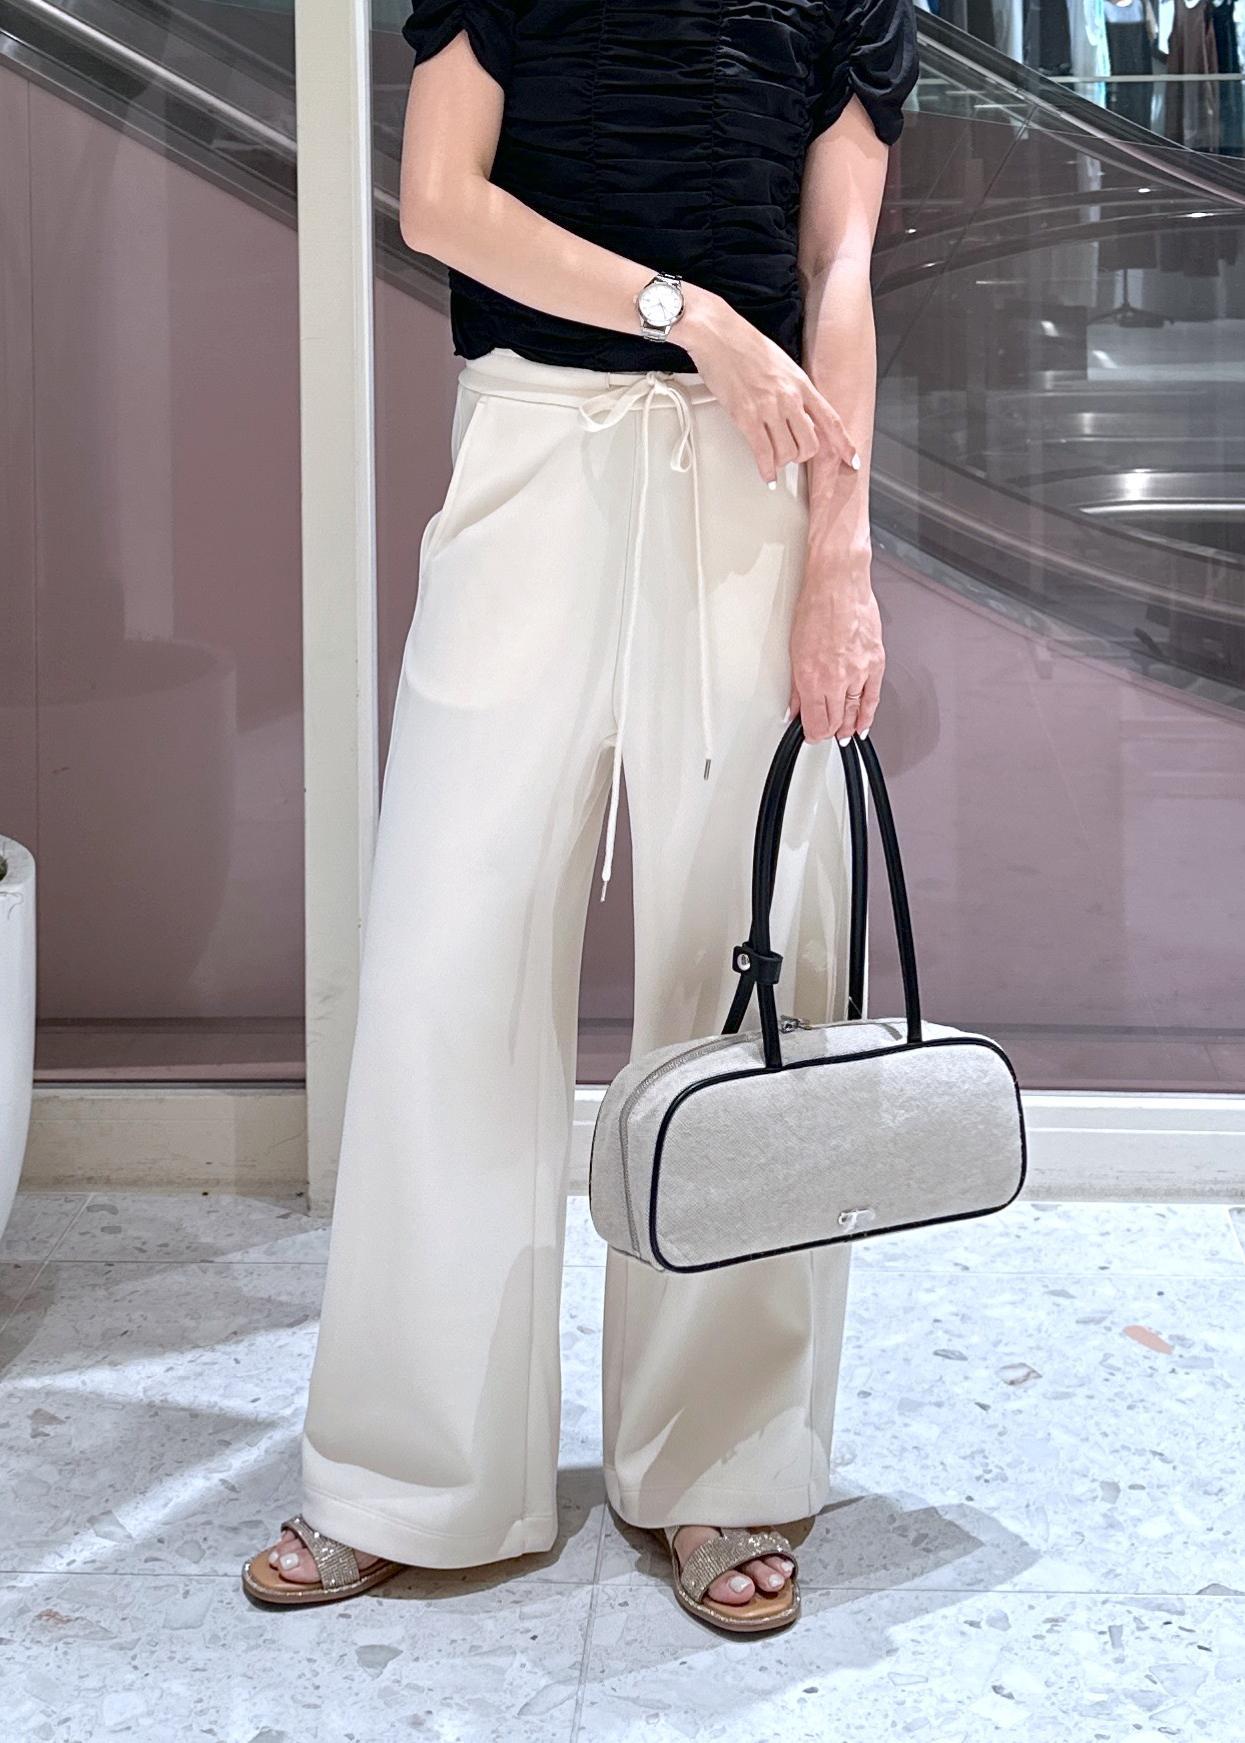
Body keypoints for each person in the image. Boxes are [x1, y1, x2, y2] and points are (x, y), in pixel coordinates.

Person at [242, 0, 918, 1635]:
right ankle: (407, 1472)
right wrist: (685, 313)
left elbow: (838, 267)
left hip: (762, 475)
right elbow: (439, 203)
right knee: (447, 962)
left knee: (748, 979)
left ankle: (722, 1467)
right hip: (535, 444)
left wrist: (839, 557)